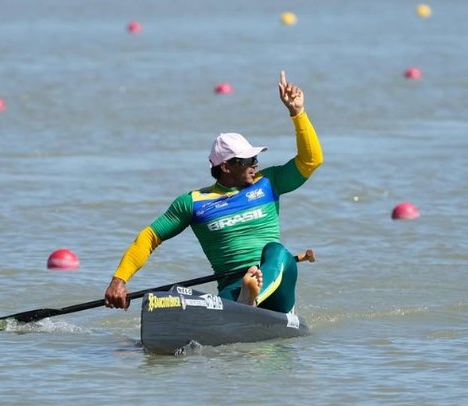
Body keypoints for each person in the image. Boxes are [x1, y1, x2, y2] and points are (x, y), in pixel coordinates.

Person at [104, 71, 323, 313]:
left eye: (255, 158)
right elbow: (149, 237)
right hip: (232, 289)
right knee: (179, 297)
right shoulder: (194, 202)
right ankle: (243, 299)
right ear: (225, 167)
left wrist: (297, 112)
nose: (255, 164)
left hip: (277, 289)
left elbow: (311, 160)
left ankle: (252, 298)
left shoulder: (269, 182)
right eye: (246, 160)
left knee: (277, 251)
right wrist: (119, 281)